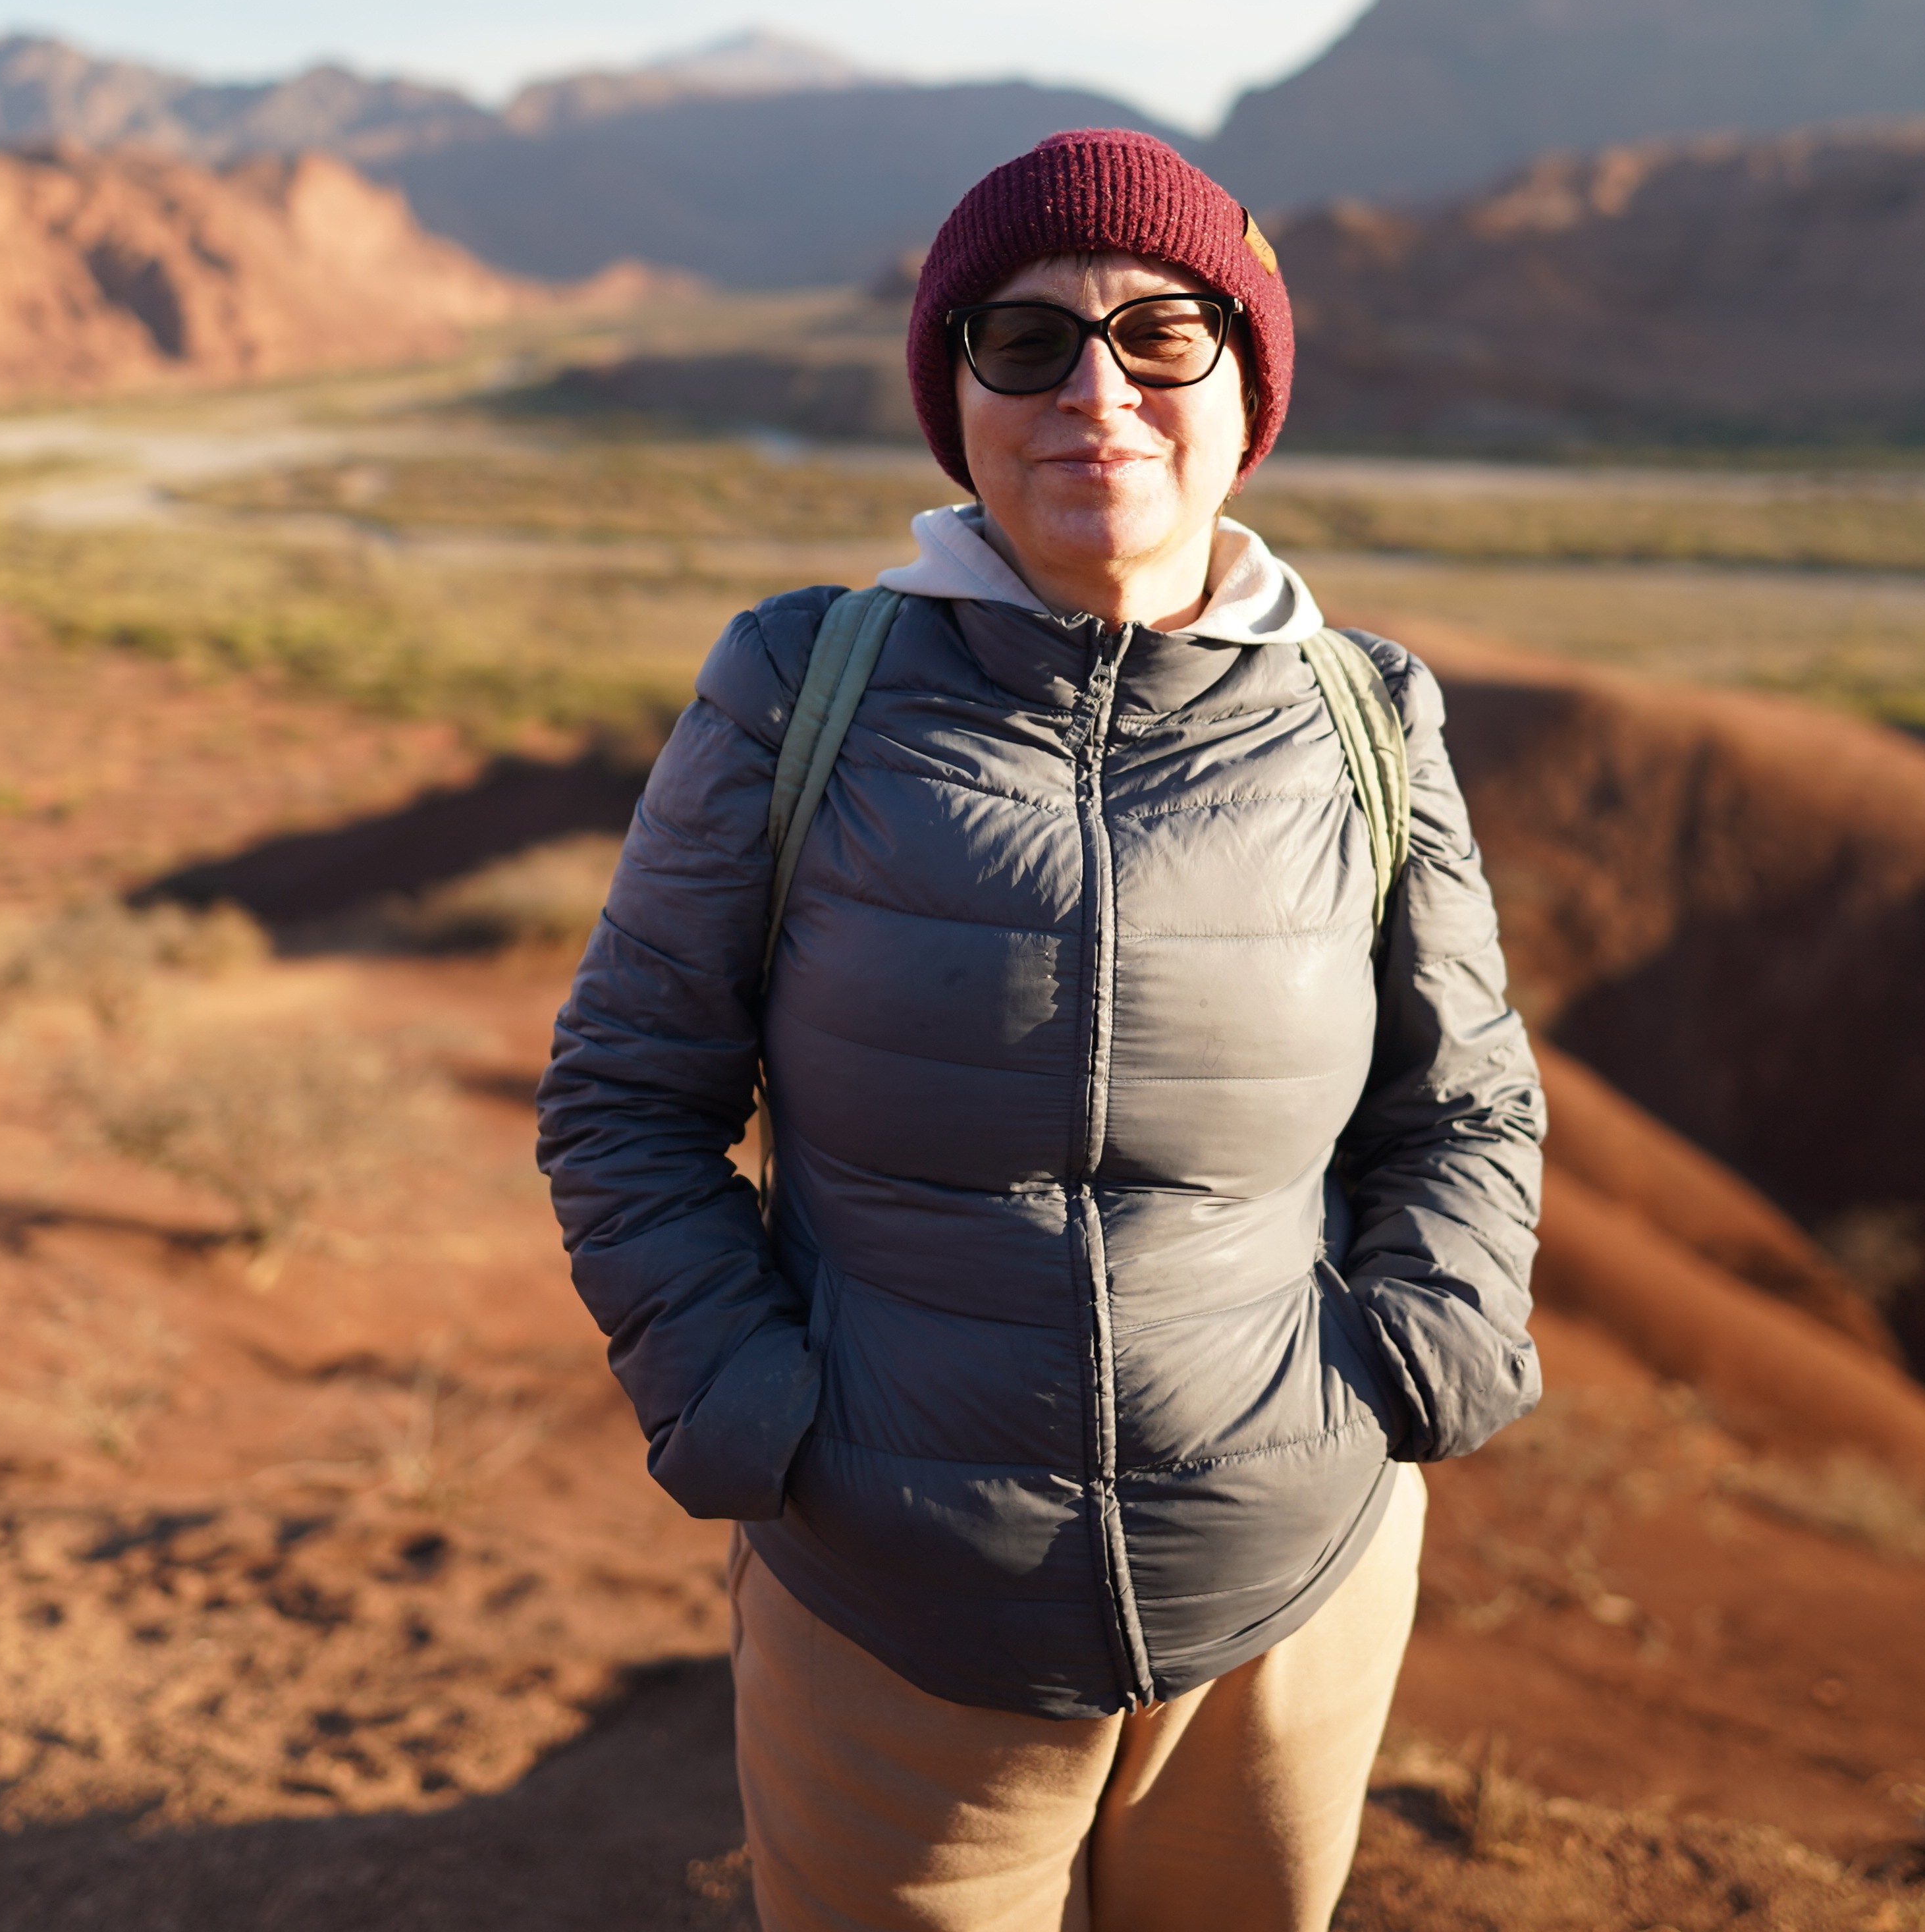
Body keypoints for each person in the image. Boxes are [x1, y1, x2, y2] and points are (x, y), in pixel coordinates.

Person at [537, 128, 1545, 1932]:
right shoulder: (801, 686)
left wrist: (1412, 1373)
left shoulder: (1367, 716)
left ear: (1247, 391)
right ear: (957, 392)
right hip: (896, 1608)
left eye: (1165, 337)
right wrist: (749, 1414)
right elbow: (626, 1093)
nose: (1096, 389)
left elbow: (1462, 1106)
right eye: (1025, 342)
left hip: (1286, 1586)